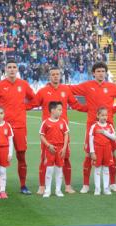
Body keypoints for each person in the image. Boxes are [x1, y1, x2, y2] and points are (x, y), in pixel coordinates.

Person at [26, 67, 87, 195]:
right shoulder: (43, 91)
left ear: (60, 76)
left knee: (66, 158)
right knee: (44, 159)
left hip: (63, 131)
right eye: (52, 74)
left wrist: (89, 109)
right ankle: (42, 186)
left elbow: (75, 104)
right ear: (49, 76)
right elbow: (32, 104)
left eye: (57, 74)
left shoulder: (66, 90)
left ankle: (68, 186)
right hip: (47, 132)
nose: (55, 76)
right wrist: (18, 107)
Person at [70, 61, 116, 193]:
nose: (101, 73)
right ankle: (85, 184)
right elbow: (69, 90)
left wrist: (115, 109)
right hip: (92, 125)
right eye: (98, 71)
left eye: (103, 71)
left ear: (106, 73)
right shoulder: (87, 86)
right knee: (89, 154)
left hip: (109, 125)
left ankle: (112, 183)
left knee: (112, 154)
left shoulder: (111, 87)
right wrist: (82, 108)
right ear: (93, 73)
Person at [0, 59, 35, 195]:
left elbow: (33, 99)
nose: (11, 69)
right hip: (3, 128)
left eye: (14, 67)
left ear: (17, 70)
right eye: (9, 67)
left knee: (21, 156)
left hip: (20, 126)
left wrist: (24, 107)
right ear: (5, 69)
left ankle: (23, 185)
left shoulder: (24, 85)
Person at [39, 101, 69, 198]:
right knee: (49, 169)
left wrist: (64, 147)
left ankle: (58, 190)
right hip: (50, 149)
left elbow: (66, 134)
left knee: (59, 169)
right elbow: (41, 135)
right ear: (52, 110)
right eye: (59, 110)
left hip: (60, 149)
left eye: (61, 110)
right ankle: (47, 190)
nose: (61, 112)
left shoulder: (63, 122)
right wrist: (48, 145)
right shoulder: (46, 122)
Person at [89, 107, 116, 196]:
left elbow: (113, 137)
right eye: (102, 115)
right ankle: (97, 189)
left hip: (107, 149)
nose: (104, 117)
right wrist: (92, 152)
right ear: (98, 116)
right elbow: (90, 139)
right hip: (97, 149)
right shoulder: (94, 126)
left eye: (106, 115)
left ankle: (106, 188)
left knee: (106, 168)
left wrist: (104, 132)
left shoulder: (109, 126)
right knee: (97, 168)